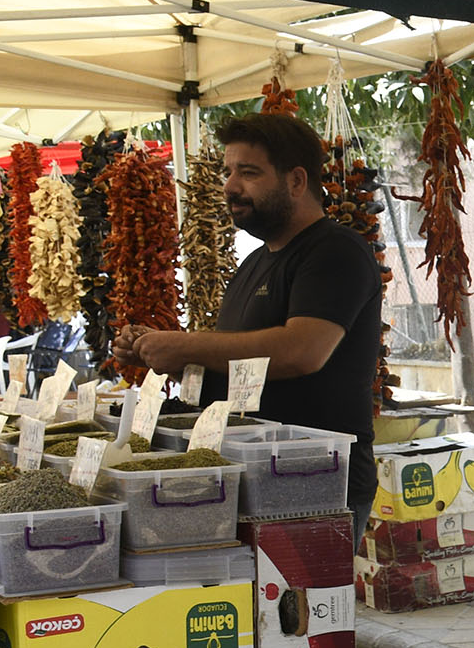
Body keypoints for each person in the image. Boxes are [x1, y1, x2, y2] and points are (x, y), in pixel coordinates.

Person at [113, 113, 383, 542]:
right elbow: (241, 369)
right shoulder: (255, 263)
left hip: (311, 481)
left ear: (296, 181)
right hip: (250, 473)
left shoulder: (335, 252)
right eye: (228, 171)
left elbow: (301, 352)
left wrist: (184, 346)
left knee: (297, 610)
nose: (229, 185)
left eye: (249, 172)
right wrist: (164, 355)